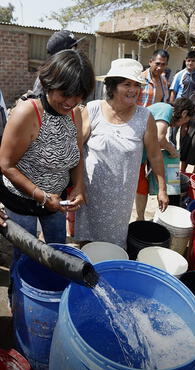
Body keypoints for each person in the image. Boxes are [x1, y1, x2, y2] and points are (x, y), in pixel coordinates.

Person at [0, 49, 94, 247]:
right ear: (49, 84)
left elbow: (77, 153)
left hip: (55, 201)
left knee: (57, 249)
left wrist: (78, 185)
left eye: (78, 95)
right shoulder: (28, 112)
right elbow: (6, 165)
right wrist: (40, 196)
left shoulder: (75, 113)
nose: (70, 102)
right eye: (65, 94)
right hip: (22, 201)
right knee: (27, 254)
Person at [75, 58, 168, 248]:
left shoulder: (144, 117)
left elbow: (155, 155)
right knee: (87, 241)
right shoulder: (93, 110)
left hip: (120, 199)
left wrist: (162, 189)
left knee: (113, 245)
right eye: (127, 84)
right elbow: (76, 149)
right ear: (113, 86)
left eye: (137, 85)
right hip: (90, 192)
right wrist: (77, 186)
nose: (133, 90)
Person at [135, 98, 195, 220]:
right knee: (139, 187)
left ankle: (140, 218)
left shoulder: (164, 113)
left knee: (142, 187)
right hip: (135, 153)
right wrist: (171, 150)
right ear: (183, 113)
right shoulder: (166, 109)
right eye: (185, 121)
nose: (182, 125)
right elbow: (159, 138)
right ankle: (140, 218)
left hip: (140, 153)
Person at [30, 30, 86, 98]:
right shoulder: (50, 75)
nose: (75, 52)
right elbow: (37, 98)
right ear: (61, 53)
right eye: (72, 49)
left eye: (75, 48)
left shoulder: (69, 72)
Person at [169, 51, 195, 145]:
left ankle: (182, 152)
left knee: (186, 131)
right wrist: (172, 106)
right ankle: (171, 150)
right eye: (188, 60)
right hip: (179, 107)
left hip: (191, 108)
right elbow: (173, 91)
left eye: (193, 61)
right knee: (173, 130)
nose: (190, 63)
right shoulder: (179, 75)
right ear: (185, 61)